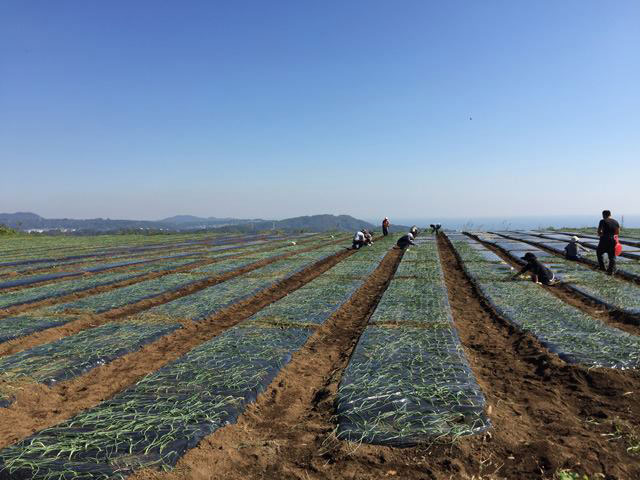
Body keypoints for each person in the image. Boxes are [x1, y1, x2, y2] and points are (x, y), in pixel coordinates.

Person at [597, 210, 620, 274]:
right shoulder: (615, 222)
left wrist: (600, 234)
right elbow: (617, 232)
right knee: (612, 256)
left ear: (604, 215)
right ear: (610, 214)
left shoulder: (602, 221)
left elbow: (599, 231)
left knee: (599, 252)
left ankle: (602, 267)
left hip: (604, 239)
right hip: (613, 240)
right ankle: (611, 270)